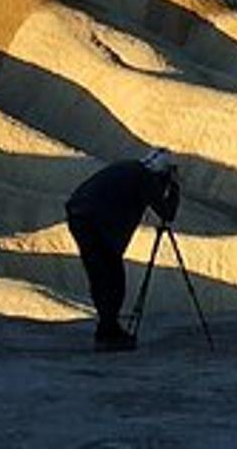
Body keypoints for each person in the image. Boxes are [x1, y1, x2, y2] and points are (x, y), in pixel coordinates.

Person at [65, 148, 182, 350]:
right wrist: (174, 192)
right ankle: (108, 333)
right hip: (94, 225)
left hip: (80, 217)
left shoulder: (129, 168)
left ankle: (107, 329)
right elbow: (166, 213)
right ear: (161, 172)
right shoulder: (144, 178)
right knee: (113, 278)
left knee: (101, 275)